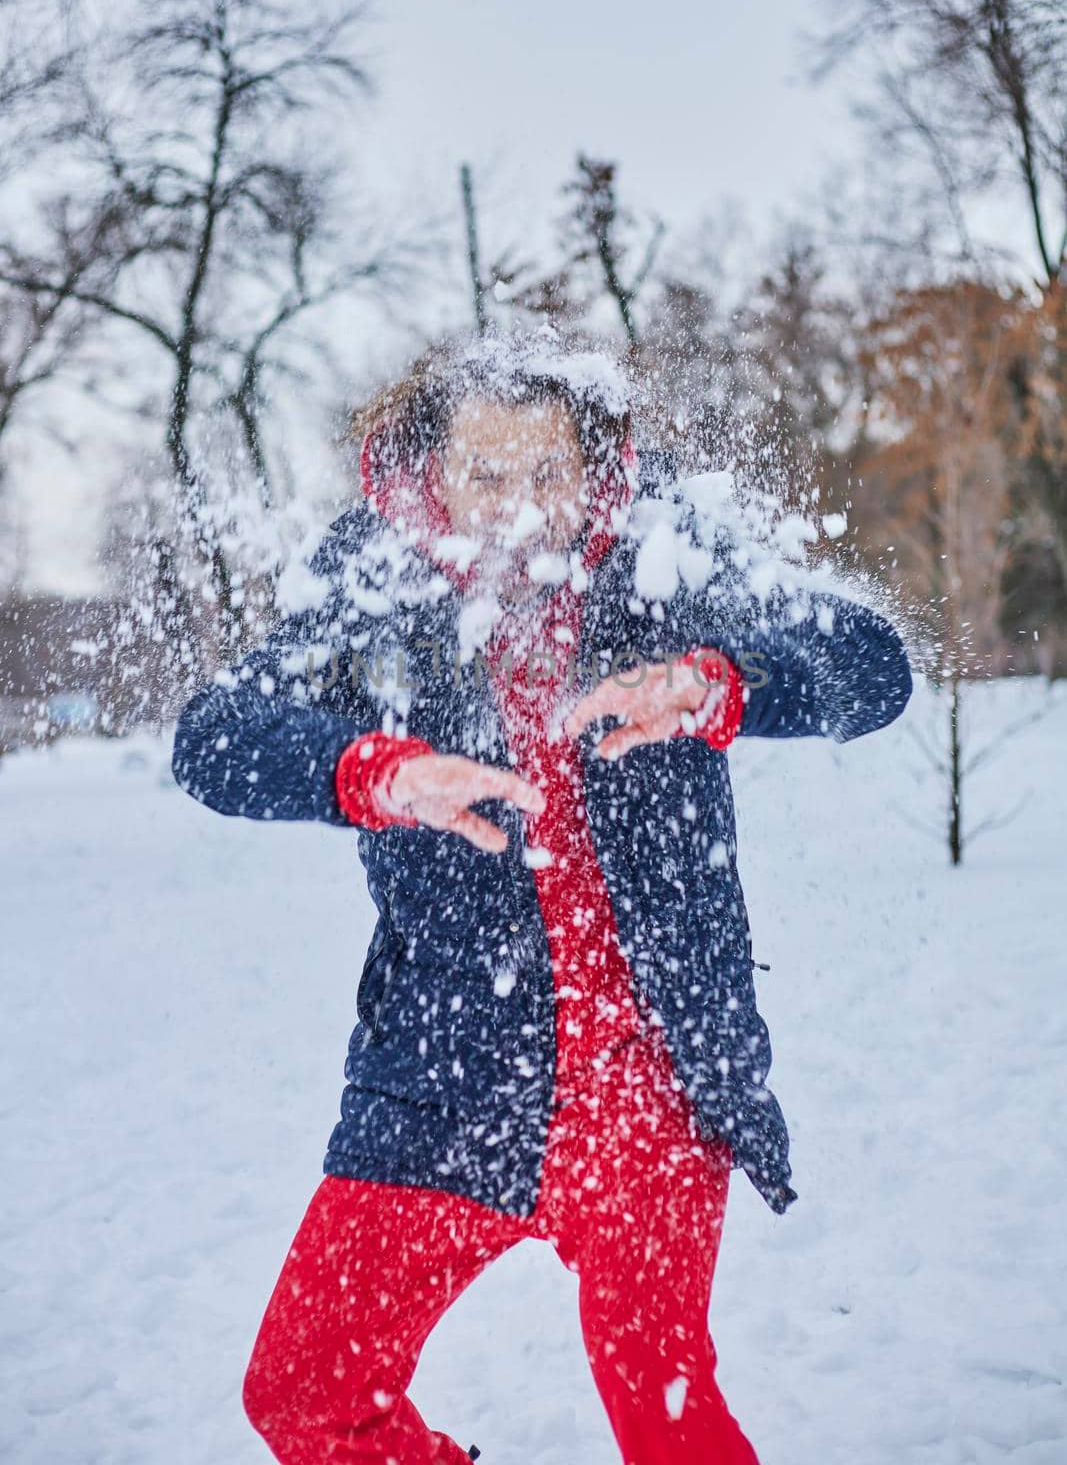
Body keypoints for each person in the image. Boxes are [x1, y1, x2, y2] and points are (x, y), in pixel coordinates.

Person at [171, 329, 913, 1465]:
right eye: (487, 478)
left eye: (548, 475)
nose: (521, 508)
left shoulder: (663, 551)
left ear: (596, 466)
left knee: (666, 1411)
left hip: (650, 1097)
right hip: (446, 1081)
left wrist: (716, 681)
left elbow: (871, 664)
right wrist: (373, 769)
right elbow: (214, 737)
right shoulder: (376, 573)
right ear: (432, 475)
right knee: (305, 1391)